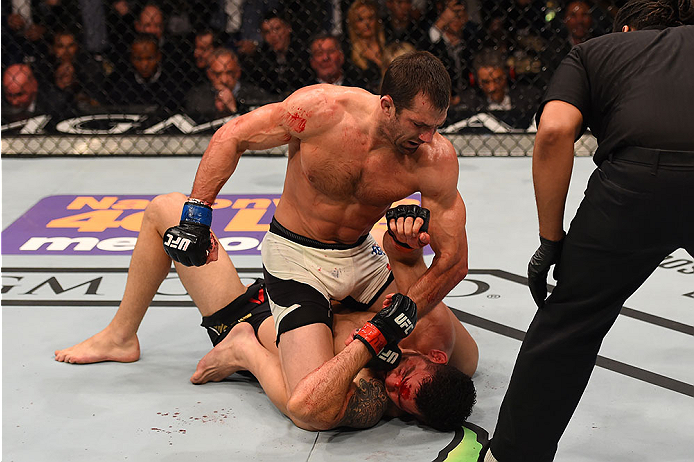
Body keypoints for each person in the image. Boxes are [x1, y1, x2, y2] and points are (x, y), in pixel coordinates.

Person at [162, 51, 469, 428]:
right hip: (297, 257)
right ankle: (246, 347)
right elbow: (234, 135)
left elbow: (454, 261)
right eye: (419, 124)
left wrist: (408, 305)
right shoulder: (321, 110)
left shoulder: (434, 157)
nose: (428, 137)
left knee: (461, 360)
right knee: (314, 407)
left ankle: (334, 333)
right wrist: (197, 216)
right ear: (387, 106)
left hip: (361, 255)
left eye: (437, 126)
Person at [54, 192, 479, 431]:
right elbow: (411, 278)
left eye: (401, 401)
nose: (394, 384)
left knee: (163, 214)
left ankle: (219, 348)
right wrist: (403, 247)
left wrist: (248, 354)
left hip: (252, 321)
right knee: (169, 208)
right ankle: (121, 334)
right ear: (433, 359)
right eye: (406, 378)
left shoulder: (369, 395)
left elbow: (301, 404)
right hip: (304, 285)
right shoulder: (444, 343)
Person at [478, 2, 694, 461]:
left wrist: (550, 242)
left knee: (570, 322)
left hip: (633, 187)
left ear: (626, 29)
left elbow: (555, 132)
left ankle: (515, 456)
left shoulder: (596, 51)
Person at [452, 48, 542, 129]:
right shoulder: (468, 101)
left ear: (507, 75)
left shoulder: (529, 97)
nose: (492, 88)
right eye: (485, 82)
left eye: (497, 80)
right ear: (476, 81)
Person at [185, 47, 277, 118]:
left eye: (229, 73)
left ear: (238, 72)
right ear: (210, 74)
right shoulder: (197, 97)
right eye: (218, 74)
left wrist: (234, 110)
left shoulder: (256, 95)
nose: (224, 80)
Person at [104, 33, 182, 113]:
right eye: (138, 59)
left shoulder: (173, 86)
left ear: (158, 56)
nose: (144, 65)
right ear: (131, 59)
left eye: (149, 58)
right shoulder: (121, 88)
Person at [345, 0, 389, 93]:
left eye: (370, 18)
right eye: (361, 19)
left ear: (377, 20)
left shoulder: (388, 44)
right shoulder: (349, 54)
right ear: (353, 24)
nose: (367, 23)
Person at [1, 63, 68, 123]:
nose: (14, 102)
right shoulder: (3, 103)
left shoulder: (54, 105)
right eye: (9, 95)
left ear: (34, 85)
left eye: (20, 94)